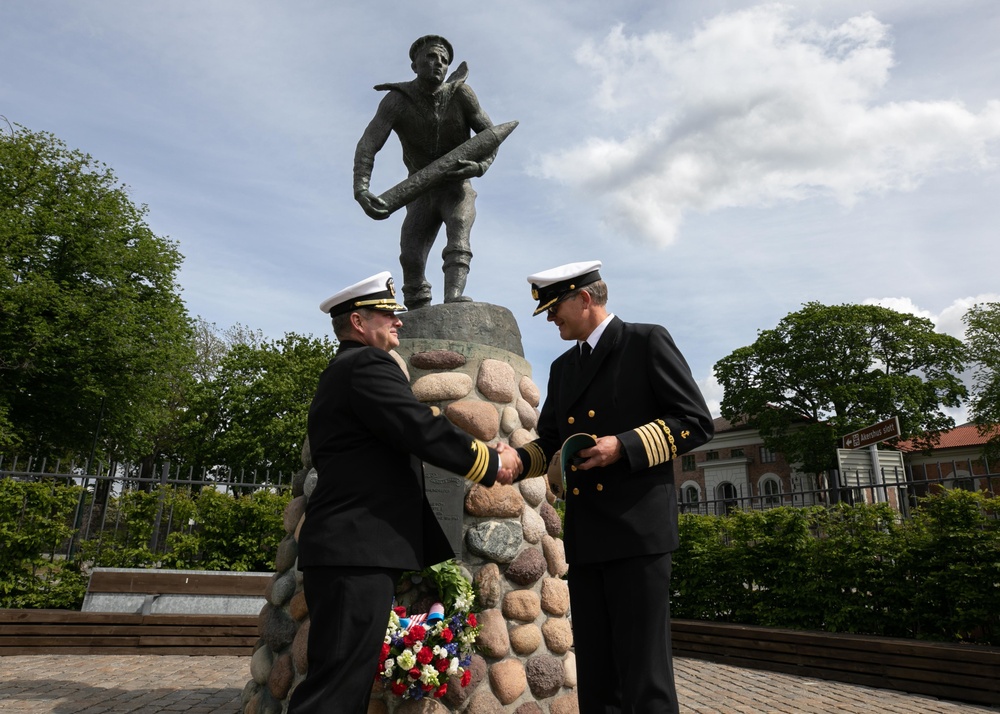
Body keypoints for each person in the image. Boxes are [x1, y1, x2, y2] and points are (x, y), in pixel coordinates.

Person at [289, 271, 518, 713]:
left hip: (353, 551)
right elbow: (419, 429)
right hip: (355, 552)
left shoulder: (345, 370)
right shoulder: (364, 365)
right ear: (358, 322)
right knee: (333, 692)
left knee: (344, 684)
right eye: (387, 314)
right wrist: (490, 461)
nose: (399, 322)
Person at [513, 260, 714, 713]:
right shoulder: (563, 367)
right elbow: (550, 442)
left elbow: (696, 422)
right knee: (598, 677)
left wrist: (622, 447)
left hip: (637, 533)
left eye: (554, 308)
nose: (550, 319)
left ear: (584, 299)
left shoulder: (645, 341)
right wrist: (513, 461)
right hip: (588, 537)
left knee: (644, 673)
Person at [353, 34, 495, 309]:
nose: (438, 63)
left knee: (458, 229)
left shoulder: (462, 94)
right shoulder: (397, 101)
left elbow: (490, 137)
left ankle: (453, 298)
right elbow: (368, 144)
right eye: (431, 57)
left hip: (456, 187)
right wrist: (361, 188)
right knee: (411, 256)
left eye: (444, 60)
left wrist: (479, 167)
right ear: (414, 65)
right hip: (420, 191)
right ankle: (418, 311)